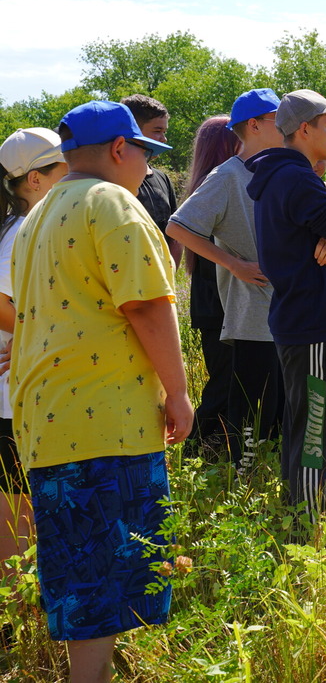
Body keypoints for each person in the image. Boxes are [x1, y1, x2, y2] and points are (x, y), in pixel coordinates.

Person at [10, 100, 192, 682]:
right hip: (105, 424)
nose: (146, 166)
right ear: (120, 148)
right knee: (106, 580)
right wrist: (180, 394)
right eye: (144, 151)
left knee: (82, 585)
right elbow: (143, 304)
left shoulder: (36, 217)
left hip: (48, 424)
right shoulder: (111, 201)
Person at [246, 89, 326, 520]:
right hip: (311, 319)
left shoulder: (279, 175)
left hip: (300, 316)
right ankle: (308, 519)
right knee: (316, 424)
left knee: (303, 419)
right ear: (304, 128)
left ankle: (299, 504)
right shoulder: (298, 178)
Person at [167, 89, 286, 469]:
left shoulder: (278, 171)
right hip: (250, 314)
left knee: (279, 402)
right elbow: (180, 228)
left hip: (285, 313)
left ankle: (269, 474)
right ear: (254, 126)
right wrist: (234, 265)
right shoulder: (227, 175)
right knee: (249, 407)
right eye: (277, 119)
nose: (286, 126)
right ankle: (243, 476)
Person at [0, 128, 68, 585]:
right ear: (36, 180)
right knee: (17, 511)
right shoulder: (24, 230)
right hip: (14, 398)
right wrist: (43, 336)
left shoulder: (25, 225)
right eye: (65, 169)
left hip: (19, 394)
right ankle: (13, 617)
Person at [177, 115, 237, 457]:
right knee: (223, 383)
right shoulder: (214, 185)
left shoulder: (217, 181)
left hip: (222, 301)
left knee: (231, 381)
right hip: (217, 303)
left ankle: (222, 447)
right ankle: (195, 450)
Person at [120, 94, 181, 265]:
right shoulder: (111, 181)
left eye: (164, 132)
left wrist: (170, 273)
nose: (164, 139)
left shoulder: (162, 178)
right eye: (157, 131)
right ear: (133, 131)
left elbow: (174, 235)